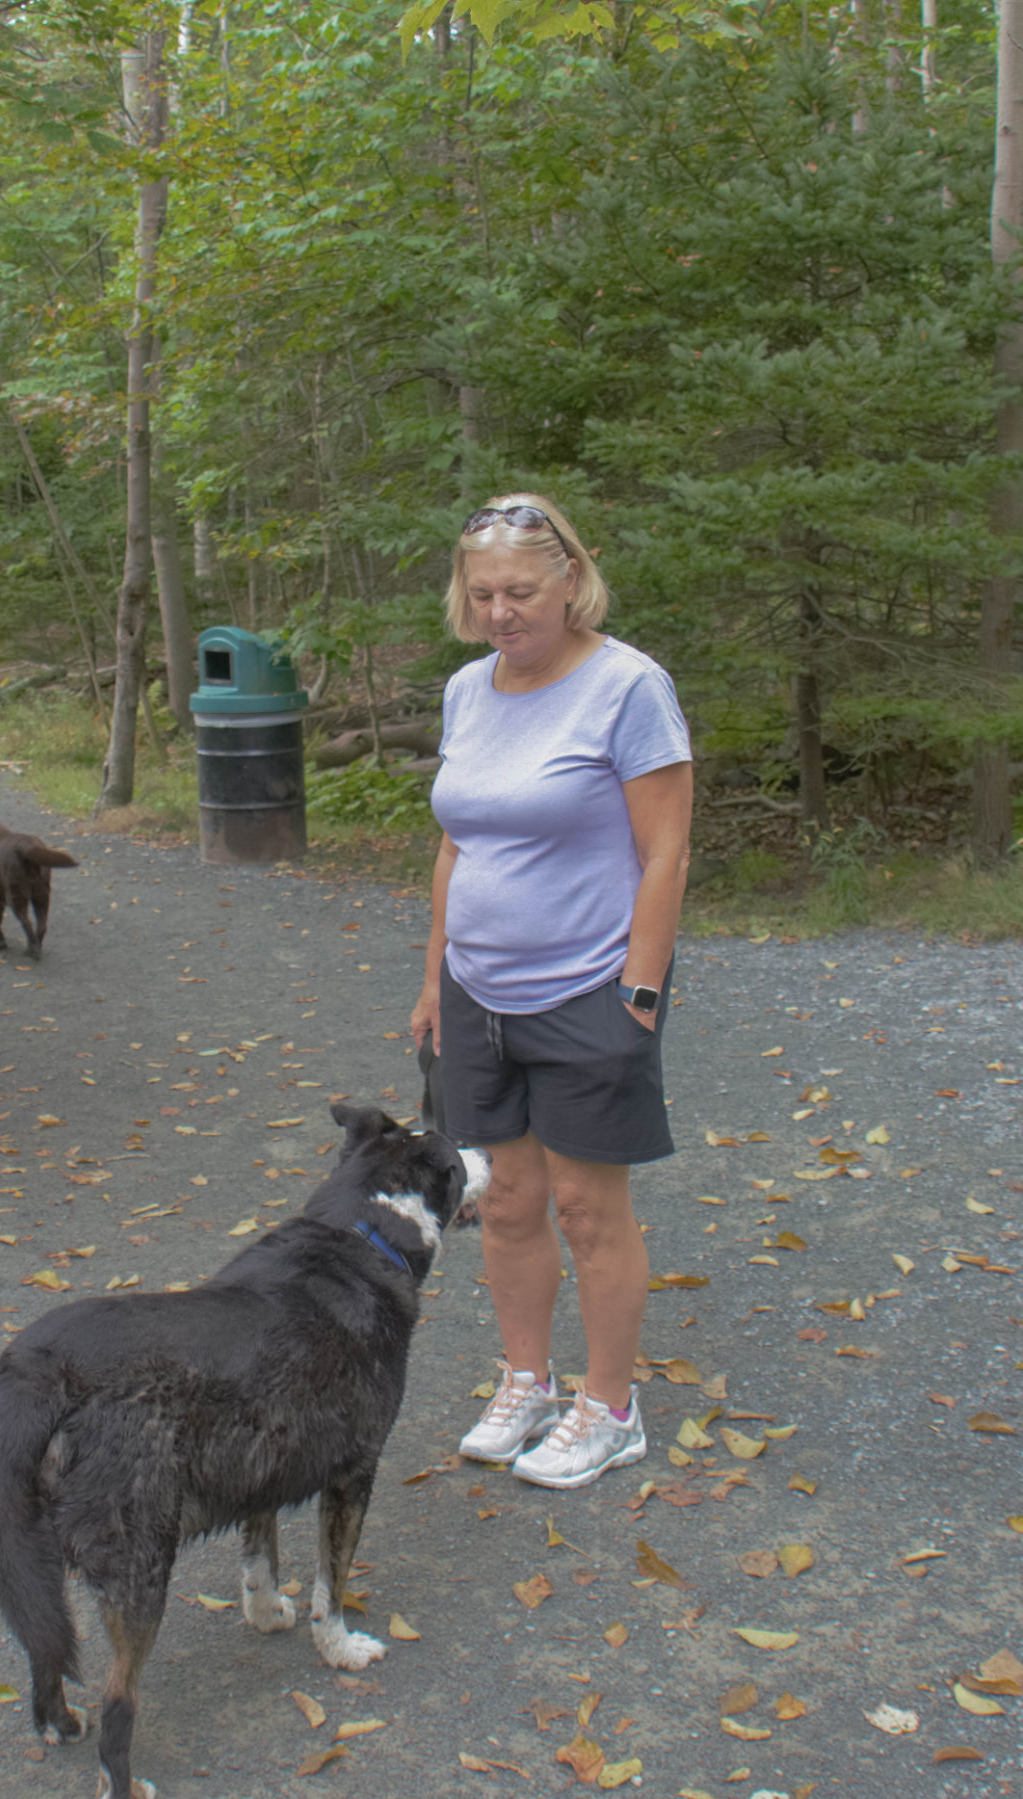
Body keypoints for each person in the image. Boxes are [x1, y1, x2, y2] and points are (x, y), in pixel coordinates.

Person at [406, 493, 693, 1491]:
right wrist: (437, 971)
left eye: (521, 590)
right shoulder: (467, 691)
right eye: (482, 592)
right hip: (477, 992)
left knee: (587, 1205)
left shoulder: (628, 688)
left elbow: (665, 851)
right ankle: (526, 1377)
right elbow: (457, 841)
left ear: (573, 575)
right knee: (510, 1200)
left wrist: (640, 995)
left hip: (587, 987)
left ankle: (611, 1408)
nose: (501, 610)